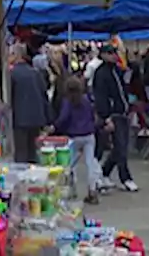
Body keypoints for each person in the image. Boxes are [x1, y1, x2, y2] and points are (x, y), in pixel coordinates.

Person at [92, 43, 137, 192]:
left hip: (122, 112)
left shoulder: (117, 71)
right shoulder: (101, 73)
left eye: (114, 52)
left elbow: (122, 91)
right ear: (103, 55)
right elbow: (101, 97)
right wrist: (106, 117)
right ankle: (126, 178)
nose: (113, 55)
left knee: (119, 148)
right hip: (112, 115)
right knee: (120, 146)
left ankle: (105, 173)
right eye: (110, 53)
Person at [54, 75, 102, 203]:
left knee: (70, 165)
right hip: (88, 134)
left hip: (73, 136)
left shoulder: (67, 102)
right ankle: (92, 190)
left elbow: (64, 118)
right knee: (90, 163)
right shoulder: (86, 100)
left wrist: (54, 127)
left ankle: (72, 190)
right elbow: (93, 116)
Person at [10, 42, 51, 162]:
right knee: (33, 151)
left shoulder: (12, 74)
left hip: (20, 118)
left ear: (15, 55)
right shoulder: (36, 73)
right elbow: (44, 96)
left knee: (21, 152)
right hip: (36, 117)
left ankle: (23, 177)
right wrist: (48, 118)